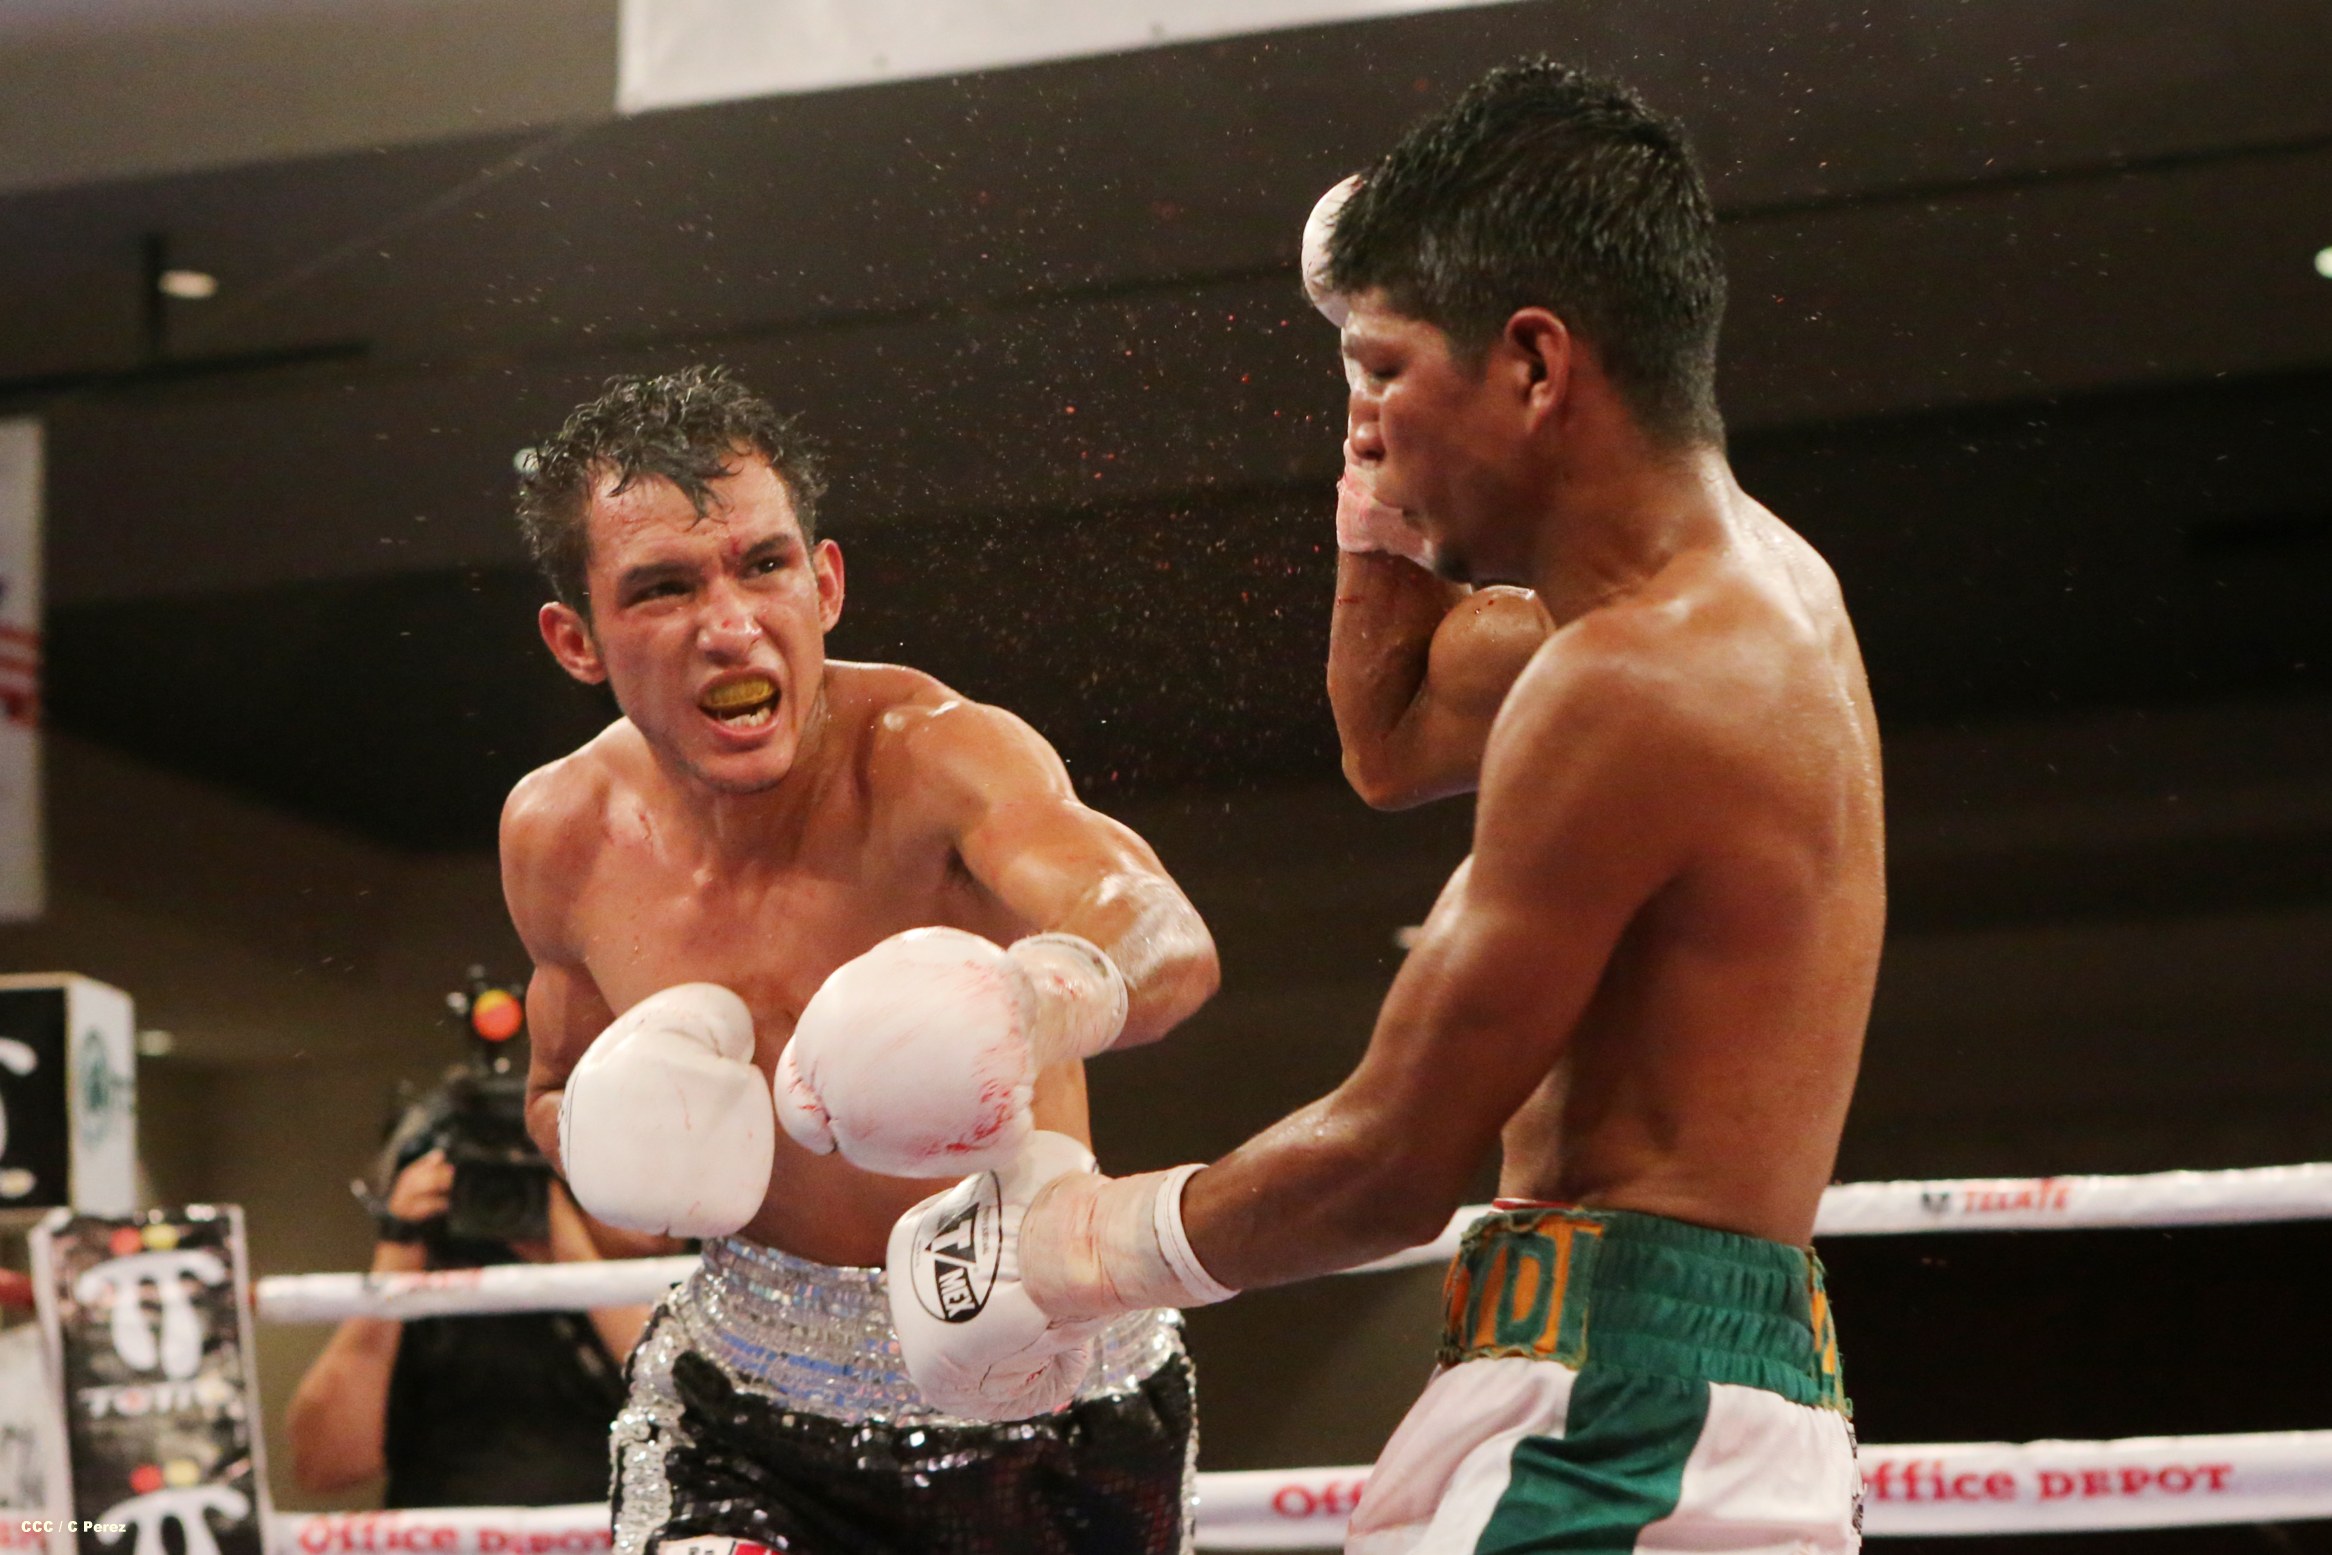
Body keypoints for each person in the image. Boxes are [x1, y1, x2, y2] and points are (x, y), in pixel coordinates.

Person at [886, 60, 1884, 1553]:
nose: (1368, 422)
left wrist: (1070, 1247)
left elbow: (1391, 1164)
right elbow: (1397, 739)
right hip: (1654, 1398)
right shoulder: (1742, 593)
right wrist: (1383, 474)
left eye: (1387, 373)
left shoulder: (1635, 683)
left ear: (1534, 364)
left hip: (1617, 1422)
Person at [500, 367, 1220, 1555]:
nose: (729, 623)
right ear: (577, 639)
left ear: (824, 583)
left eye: (762, 565)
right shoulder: (560, 834)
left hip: (1046, 1389)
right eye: (664, 586)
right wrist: (602, 1137)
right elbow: (552, 1092)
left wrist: (1028, 1002)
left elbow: (1161, 934)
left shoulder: (939, 756)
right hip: (744, 1410)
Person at [285, 1144, 650, 1507]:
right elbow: (324, 1466)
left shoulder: (660, 1283)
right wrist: (397, 1252)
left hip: (607, 1531)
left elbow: (680, 1391)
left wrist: (576, 1262)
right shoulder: (416, 1301)